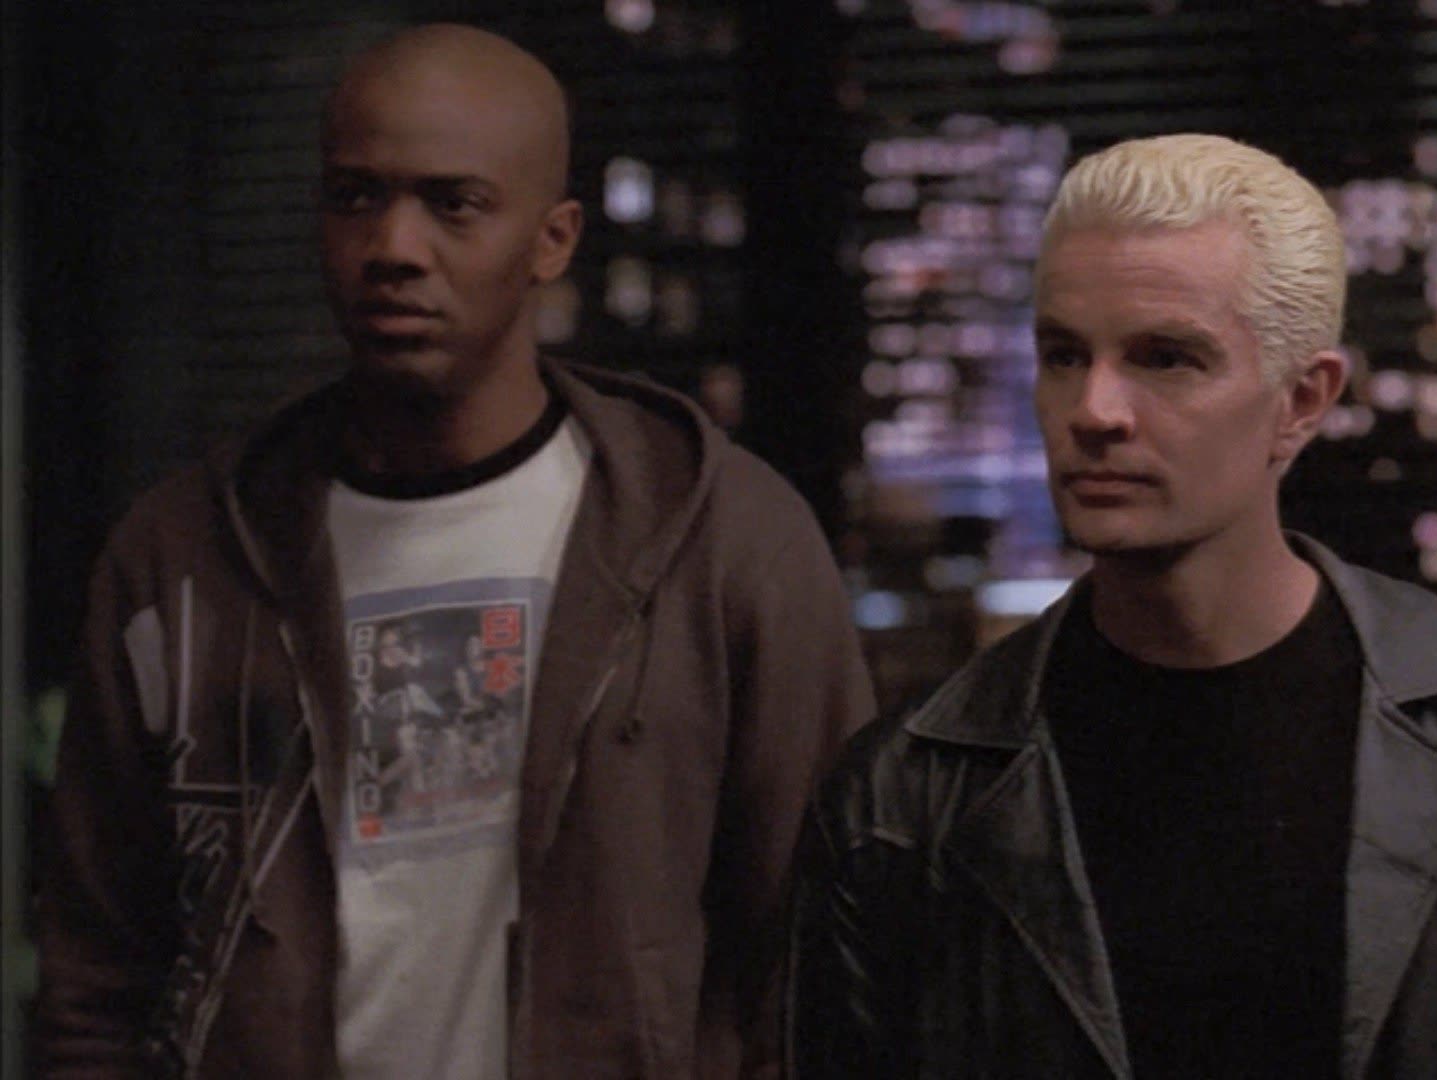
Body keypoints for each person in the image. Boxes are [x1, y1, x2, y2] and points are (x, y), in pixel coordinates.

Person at [34, 23, 874, 1078]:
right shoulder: (180, 558)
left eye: (454, 204)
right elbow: (95, 979)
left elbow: (825, 960)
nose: (393, 246)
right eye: (355, 196)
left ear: (553, 240)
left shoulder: (724, 543)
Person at [790, 134, 1437, 1079]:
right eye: (1063, 355)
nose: (1094, 410)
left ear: (1302, 400)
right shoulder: (899, 804)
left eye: (1166, 358)